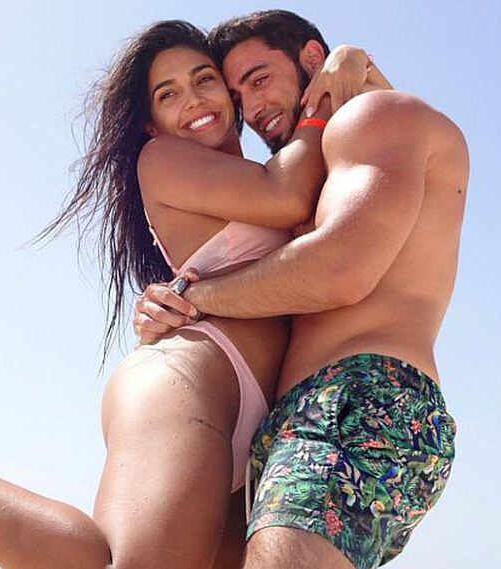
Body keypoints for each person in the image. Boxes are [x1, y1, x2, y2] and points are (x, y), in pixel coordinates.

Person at [0, 20, 386, 568]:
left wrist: (352, 60)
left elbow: (392, 151)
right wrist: (323, 96)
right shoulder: (163, 160)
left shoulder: (271, 169)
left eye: (205, 80)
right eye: (168, 94)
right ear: (150, 123)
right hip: (193, 376)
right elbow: (286, 196)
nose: (193, 100)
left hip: (265, 417)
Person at [133, 10, 466, 569]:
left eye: (260, 79)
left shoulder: (374, 116)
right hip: (298, 417)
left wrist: (193, 298)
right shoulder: (327, 163)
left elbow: (340, 270)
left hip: (361, 394)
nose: (252, 108)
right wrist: (162, 300)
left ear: (312, 59)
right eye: (239, 96)